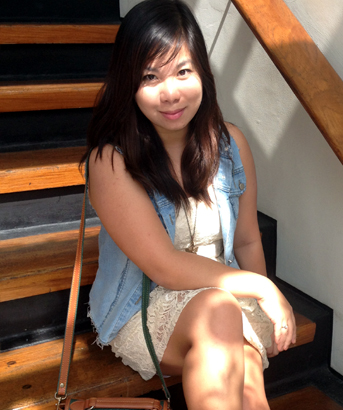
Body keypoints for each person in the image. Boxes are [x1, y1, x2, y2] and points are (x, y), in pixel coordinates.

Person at [81, 0, 296, 409]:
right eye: (150, 77)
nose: (170, 93)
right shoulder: (112, 161)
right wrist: (263, 287)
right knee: (219, 313)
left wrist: (258, 308)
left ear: (202, 73)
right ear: (128, 84)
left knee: (250, 389)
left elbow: (247, 241)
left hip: (225, 297)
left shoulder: (231, 145)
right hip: (146, 305)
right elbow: (163, 266)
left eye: (183, 71)